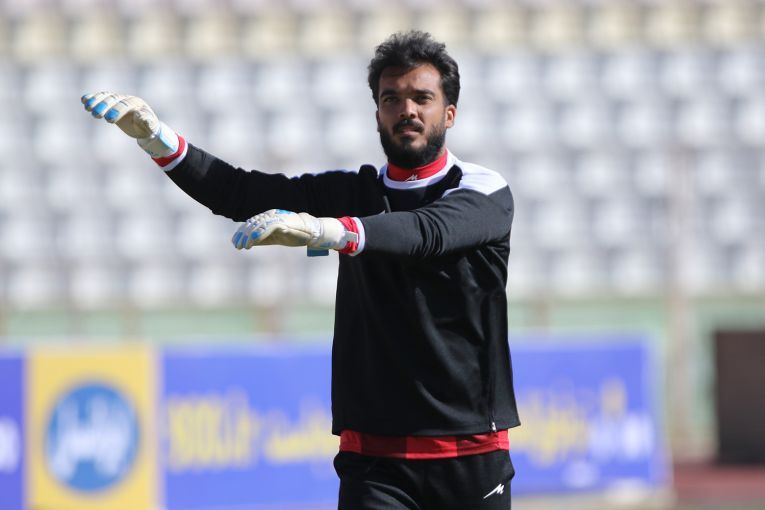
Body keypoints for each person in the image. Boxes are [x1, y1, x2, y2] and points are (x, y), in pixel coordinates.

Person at [83, 30, 519, 510]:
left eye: (422, 98)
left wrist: (325, 231)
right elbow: (240, 194)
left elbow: (425, 232)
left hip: (469, 450)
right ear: (377, 113)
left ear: (449, 113)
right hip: (375, 458)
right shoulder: (352, 192)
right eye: (391, 98)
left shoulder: (483, 190)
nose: (406, 110)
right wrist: (159, 141)